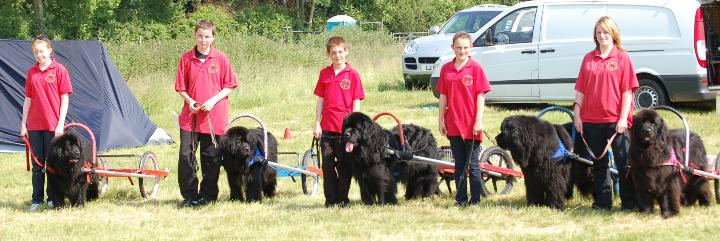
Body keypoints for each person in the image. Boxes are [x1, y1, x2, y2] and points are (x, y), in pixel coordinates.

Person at [573, 16, 638, 211]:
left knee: (623, 162)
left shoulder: (622, 58)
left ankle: (629, 203)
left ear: (613, 34)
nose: (602, 35)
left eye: (606, 32)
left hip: (616, 121)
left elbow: (628, 91)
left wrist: (622, 119)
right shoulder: (588, 58)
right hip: (591, 120)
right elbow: (581, 90)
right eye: (599, 32)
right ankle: (603, 202)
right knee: (598, 163)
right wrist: (577, 114)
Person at [176, 19, 237, 207]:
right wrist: (190, 101)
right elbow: (180, 87)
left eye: (207, 36)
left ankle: (207, 195)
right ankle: (190, 195)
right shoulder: (186, 59)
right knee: (186, 156)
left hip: (214, 117)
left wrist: (212, 101)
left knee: (211, 158)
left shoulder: (220, 58)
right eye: (200, 36)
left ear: (213, 37)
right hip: (190, 117)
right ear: (195, 35)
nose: (203, 40)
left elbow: (229, 86)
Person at [437, 32, 491, 206]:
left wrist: (478, 120)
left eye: (465, 47)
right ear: (452, 47)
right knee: (459, 164)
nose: (462, 51)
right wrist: (441, 119)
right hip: (452, 122)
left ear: (471, 48)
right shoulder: (446, 68)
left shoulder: (476, 68)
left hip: (471, 124)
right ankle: (461, 200)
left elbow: (480, 96)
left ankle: (475, 200)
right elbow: (443, 96)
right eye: (458, 47)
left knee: (473, 165)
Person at [20, 34, 72, 211]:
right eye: (35, 52)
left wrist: (60, 124)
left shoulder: (60, 70)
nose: (39, 55)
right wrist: (23, 124)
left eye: (41, 51)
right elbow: (28, 99)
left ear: (50, 50)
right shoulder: (31, 72)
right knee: (37, 164)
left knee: (52, 163)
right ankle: (36, 200)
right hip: (34, 125)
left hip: (53, 125)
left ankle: (52, 197)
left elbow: (64, 99)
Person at [313, 36, 365, 207]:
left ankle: (342, 199)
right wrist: (317, 123)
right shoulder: (324, 74)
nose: (337, 56)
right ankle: (330, 200)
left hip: (345, 131)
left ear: (346, 52)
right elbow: (320, 99)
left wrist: (354, 127)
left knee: (344, 166)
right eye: (333, 53)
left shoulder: (353, 75)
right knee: (327, 167)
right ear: (328, 54)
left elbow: (356, 101)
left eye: (340, 52)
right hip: (327, 129)